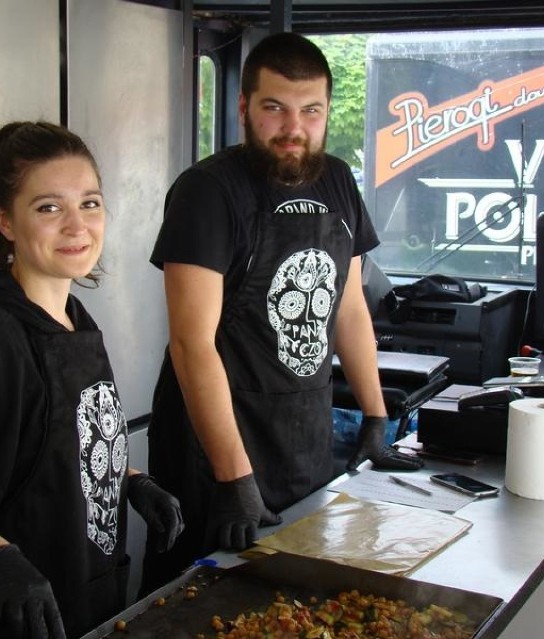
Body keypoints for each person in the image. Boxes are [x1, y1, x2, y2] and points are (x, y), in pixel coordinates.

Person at [141, 32, 414, 594]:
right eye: (275, 109)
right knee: (203, 605)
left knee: (296, 597)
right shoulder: (207, 193)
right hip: (216, 445)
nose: (294, 129)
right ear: (243, 108)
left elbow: (349, 306)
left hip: (303, 435)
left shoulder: (339, 179)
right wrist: (234, 476)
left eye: (311, 110)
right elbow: (191, 344)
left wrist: (376, 416)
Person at [0, 121, 184, 639]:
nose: (77, 226)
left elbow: (65, 444)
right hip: (7, 618)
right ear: (4, 221)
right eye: (48, 208)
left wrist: (132, 482)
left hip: (82, 596)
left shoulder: (76, 317)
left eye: (89, 203)